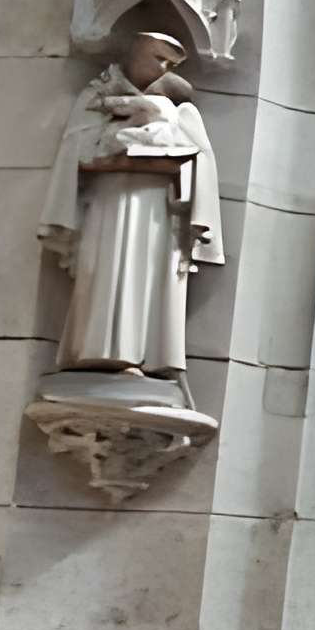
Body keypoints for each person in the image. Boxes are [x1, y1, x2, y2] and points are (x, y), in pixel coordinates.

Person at [41, 30, 223, 379]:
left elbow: (199, 160)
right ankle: (95, 351)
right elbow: (76, 148)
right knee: (103, 271)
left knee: (149, 276)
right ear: (136, 53)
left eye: (169, 64)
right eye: (158, 58)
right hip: (107, 198)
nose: (162, 68)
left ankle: (146, 356)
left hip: (157, 207)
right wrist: (112, 142)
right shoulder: (97, 96)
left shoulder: (176, 109)